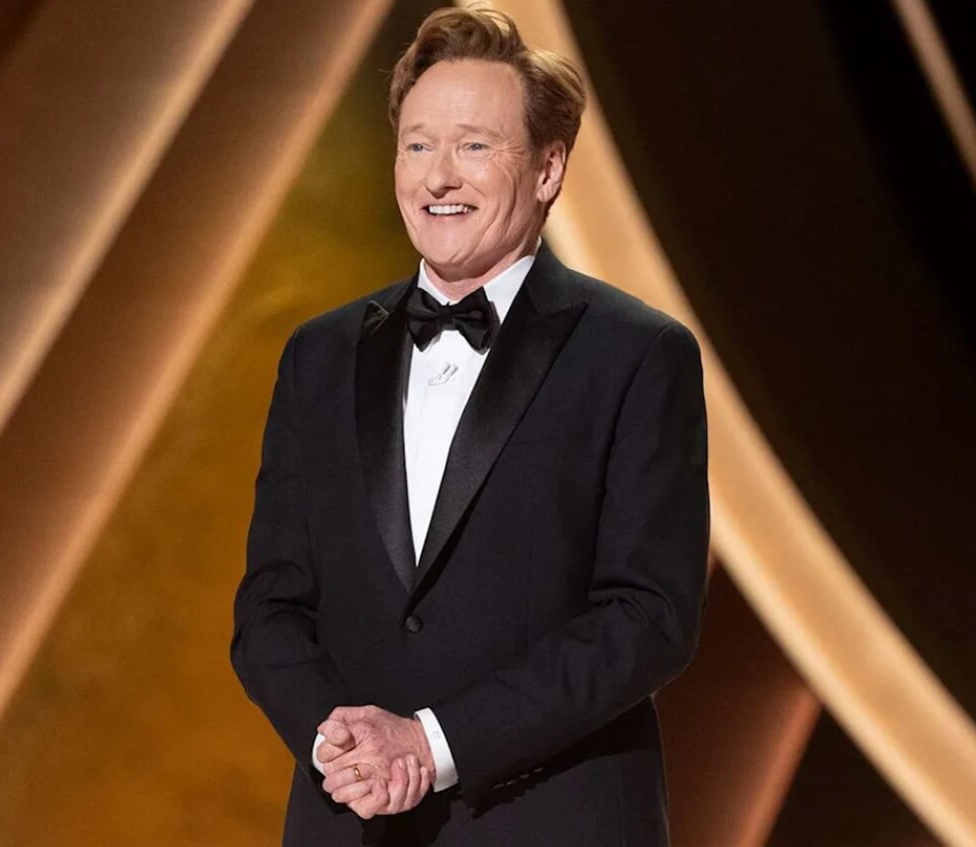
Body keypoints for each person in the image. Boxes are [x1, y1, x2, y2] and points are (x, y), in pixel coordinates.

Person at [231, 7, 708, 845]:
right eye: (418, 145)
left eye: (474, 146)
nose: (438, 177)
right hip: (352, 824)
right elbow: (270, 606)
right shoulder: (319, 355)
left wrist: (434, 743)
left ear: (550, 168)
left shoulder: (639, 354)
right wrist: (336, 739)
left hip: (552, 821)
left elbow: (649, 616)